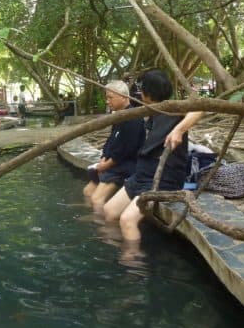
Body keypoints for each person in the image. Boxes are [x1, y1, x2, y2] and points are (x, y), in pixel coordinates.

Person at [103, 69, 204, 241]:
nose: (139, 93)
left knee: (127, 220)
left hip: (163, 178)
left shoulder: (172, 109)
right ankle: (116, 246)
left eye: (141, 89)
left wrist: (179, 130)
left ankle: (132, 262)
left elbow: (200, 107)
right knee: (109, 211)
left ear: (147, 92)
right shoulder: (148, 111)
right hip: (141, 176)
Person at [83, 80, 145, 208]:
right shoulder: (119, 117)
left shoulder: (133, 118)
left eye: (110, 97)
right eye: (107, 98)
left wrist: (106, 165)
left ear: (123, 97)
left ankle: (101, 224)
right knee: (87, 192)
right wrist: (104, 157)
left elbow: (127, 149)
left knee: (96, 198)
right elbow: (111, 141)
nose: (107, 101)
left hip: (126, 166)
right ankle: (94, 218)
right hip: (113, 163)